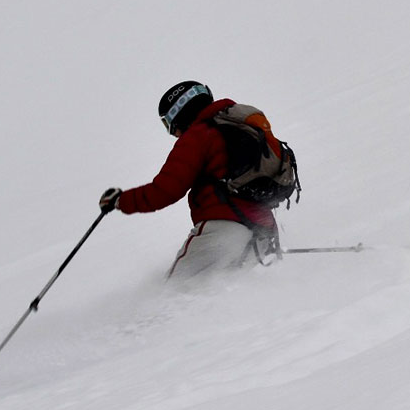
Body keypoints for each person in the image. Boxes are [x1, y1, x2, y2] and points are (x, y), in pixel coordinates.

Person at [100, 82, 281, 281]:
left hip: (222, 232)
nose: (173, 133)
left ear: (181, 113)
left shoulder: (198, 135)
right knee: (232, 301)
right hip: (265, 231)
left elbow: (164, 191)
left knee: (169, 299)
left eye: (169, 123)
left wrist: (120, 200)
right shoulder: (241, 125)